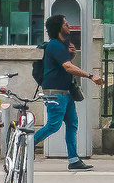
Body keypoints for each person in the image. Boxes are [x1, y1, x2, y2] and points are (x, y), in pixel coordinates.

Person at [34, 13, 104, 171]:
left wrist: (71, 55)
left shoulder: (61, 45)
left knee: (72, 124)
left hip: (65, 92)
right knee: (53, 125)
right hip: (55, 92)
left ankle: (74, 160)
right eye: (66, 24)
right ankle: (28, 146)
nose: (69, 26)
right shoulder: (55, 45)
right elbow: (68, 67)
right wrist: (90, 76)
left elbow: (65, 66)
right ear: (59, 27)